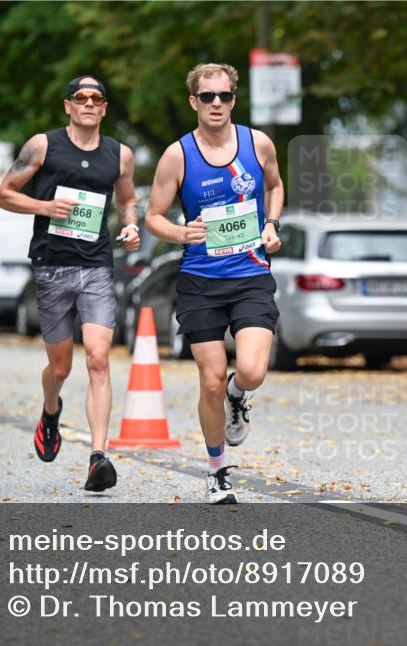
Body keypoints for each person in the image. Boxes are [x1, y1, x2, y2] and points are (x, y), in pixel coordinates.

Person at [145, 63, 284, 504]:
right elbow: (153, 217)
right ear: (194, 102)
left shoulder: (257, 143)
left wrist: (272, 224)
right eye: (208, 97)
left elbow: (275, 188)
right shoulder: (177, 155)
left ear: (233, 100)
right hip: (200, 281)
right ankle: (217, 471)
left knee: (252, 370)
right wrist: (181, 232)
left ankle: (238, 396)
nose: (217, 104)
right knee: (208, 381)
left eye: (224, 96)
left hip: (250, 276)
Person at [0, 75, 140, 493]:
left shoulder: (120, 155)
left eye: (97, 98)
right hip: (51, 266)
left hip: (96, 265)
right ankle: (50, 411)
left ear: (105, 108)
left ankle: (98, 458)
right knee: (61, 367)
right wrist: (45, 206)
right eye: (82, 97)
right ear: (68, 106)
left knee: (98, 358)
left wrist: (130, 226)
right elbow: (4, 194)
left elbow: (128, 199)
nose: (90, 103)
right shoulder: (43, 145)